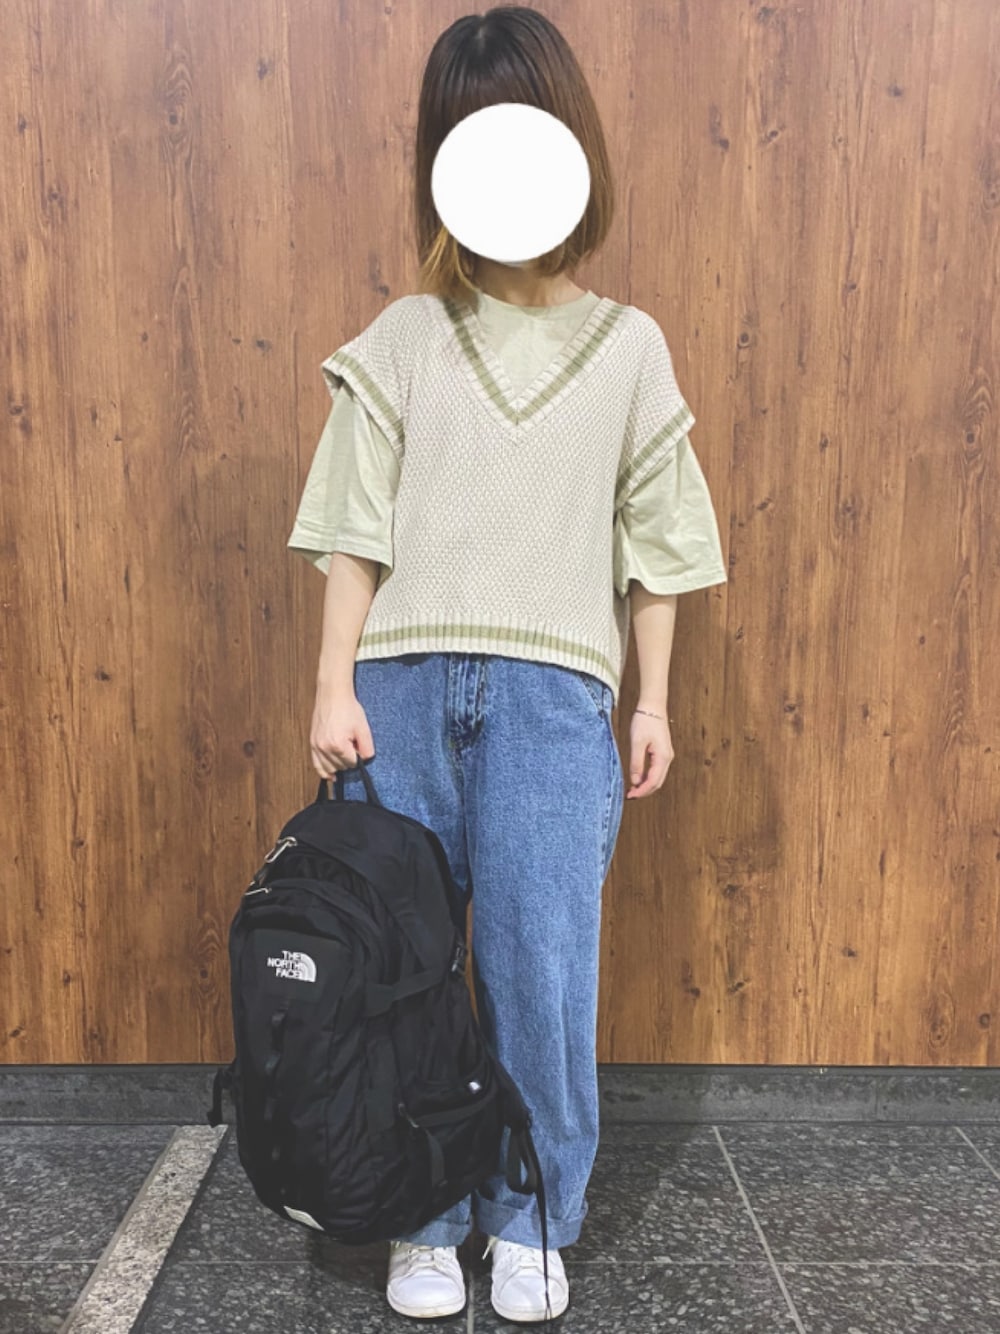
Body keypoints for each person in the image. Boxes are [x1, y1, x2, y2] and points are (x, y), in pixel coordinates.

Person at [286, 6, 727, 1323]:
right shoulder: (404, 338)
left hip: (553, 700)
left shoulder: (629, 347)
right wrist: (332, 680)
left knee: (543, 967)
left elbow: (656, 543)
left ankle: (533, 1215)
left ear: (570, 150)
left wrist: (652, 700)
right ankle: (423, 1211)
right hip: (403, 690)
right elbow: (354, 529)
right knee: (407, 970)